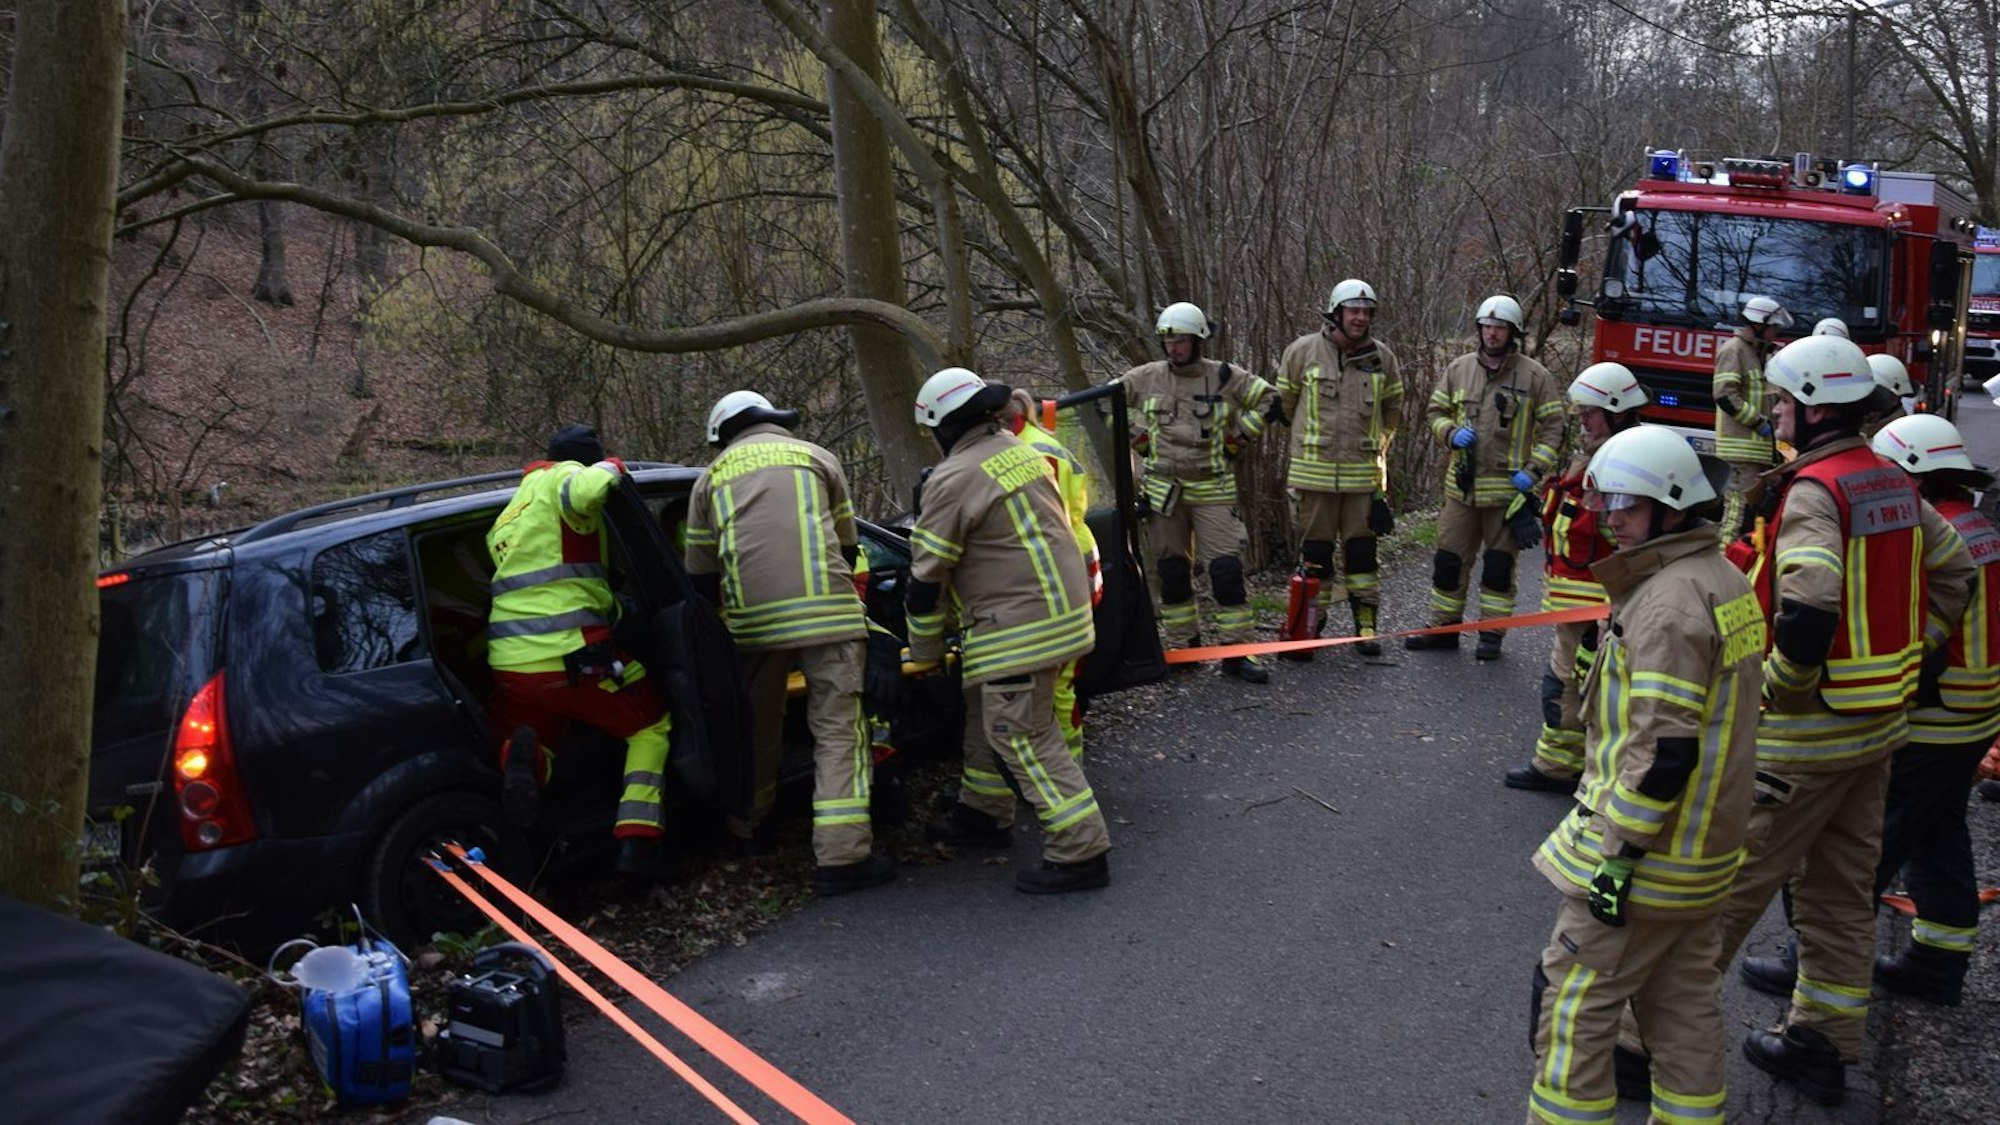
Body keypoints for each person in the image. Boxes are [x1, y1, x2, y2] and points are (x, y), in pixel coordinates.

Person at [1707, 335, 1973, 1105]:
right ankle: (1820, 1043)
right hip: (1877, 735)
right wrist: (1917, 654)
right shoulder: (1890, 479)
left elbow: (1812, 598)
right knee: (1839, 898)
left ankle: (1637, 1042)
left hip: (1802, 740)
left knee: (1723, 891)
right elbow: (1953, 568)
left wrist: (1787, 684)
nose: (1778, 412)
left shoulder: (1818, 489)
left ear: (1816, 405)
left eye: (1786, 400)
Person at [1526, 425, 1763, 1125]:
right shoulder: (1724, 579)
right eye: (1608, 500)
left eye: (1626, 501)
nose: (1610, 516)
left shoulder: (1667, 602)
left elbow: (1664, 752)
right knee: (1681, 1001)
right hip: (1706, 857)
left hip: (1650, 859)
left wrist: (1619, 859)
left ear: (1673, 504)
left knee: (1574, 1002)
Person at [1738, 414, 2000, 1008]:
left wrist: (1908, 658)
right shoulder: (1976, 524)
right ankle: (1937, 959)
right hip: (1975, 711)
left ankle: (1806, 964)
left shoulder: (1939, 532)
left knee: (1861, 858)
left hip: (1935, 714)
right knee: (1938, 835)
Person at [683, 392, 896, 896]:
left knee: (757, 726)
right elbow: (848, 545)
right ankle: (843, 858)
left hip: (753, 623)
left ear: (723, 435)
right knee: (839, 731)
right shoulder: (817, 458)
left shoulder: (710, 478)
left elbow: (699, 578)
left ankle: (751, 830)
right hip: (829, 614)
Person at [908, 368, 1113, 893]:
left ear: (942, 427)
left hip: (1019, 630)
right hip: (1061, 616)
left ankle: (1080, 850)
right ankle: (983, 812)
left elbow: (928, 579)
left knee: (1019, 733)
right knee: (986, 711)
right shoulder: (1019, 451)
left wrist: (924, 653)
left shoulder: (953, 479)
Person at [487, 424, 674, 876]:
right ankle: (638, 839)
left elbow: (556, 576)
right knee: (650, 726)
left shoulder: (511, 510)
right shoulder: (562, 481)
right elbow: (588, 488)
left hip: (511, 665)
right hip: (571, 651)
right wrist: (612, 467)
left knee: (546, 738)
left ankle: (525, 761)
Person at [1504, 363, 1646, 792]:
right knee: (1565, 684)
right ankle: (1559, 765)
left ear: (1618, 412)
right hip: (1576, 609)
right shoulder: (1596, 456)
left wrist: (1612, 617)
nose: (1582, 421)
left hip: (1598, 613)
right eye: (1580, 413)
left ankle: (1581, 773)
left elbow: (1633, 551)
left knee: (1581, 690)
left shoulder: (1624, 466)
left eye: (1591, 413)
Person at [1118, 301, 1277, 681]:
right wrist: (1138, 440)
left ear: (1198, 340)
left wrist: (1238, 438)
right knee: (1171, 571)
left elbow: (1271, 399)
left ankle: (1238, 653)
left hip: (1213, 486)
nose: (1173, 348)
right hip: (1164, 489)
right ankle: (1182, 650)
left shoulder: (1224, 377)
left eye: (1181, 341)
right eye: (1168, 341)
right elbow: (1103, 403)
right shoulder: (1145, 377)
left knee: (1225, 570)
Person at [1410, 294, 1564, 660]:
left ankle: (1490, 635)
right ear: (1479, 329)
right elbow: (1434, 410)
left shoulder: (1534, 376)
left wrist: (1533, 472)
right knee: (1449, 561)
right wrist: (1449, 432)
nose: (1492, 333)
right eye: (1487, 326)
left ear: (1513, 332)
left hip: (1507, 493)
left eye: (1500, 327)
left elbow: (1554, 426)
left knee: (1498, 568)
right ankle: (1443, 629)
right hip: (1461, 490)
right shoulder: (1459, 368)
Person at [1274, 279, 1405, 658]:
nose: (1360, 318)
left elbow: (1393, 409)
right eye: (1353, 311)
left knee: (1362, 555)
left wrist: (1376, 446)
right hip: (1313, 479)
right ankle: (1312, 627)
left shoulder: (1383, 358)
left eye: (1366, 312)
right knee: (1315, 555)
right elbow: (1283, 404)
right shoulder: (1302, 352)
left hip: (1361, 478)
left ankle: (1366, 627)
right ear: (1336, 313)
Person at [1003, 386, 1099, 759]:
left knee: (1056, 681)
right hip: (1076, 555)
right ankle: (1066, 762)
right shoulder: (1042, 441)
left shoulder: (1028, 451)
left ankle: (1067, 766)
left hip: (1063, 563)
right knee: (1061, 678)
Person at [1712, 294, 1791, 542]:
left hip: (1758, 452)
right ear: (1758, 324)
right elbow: (1724, 395)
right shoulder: (1734, 351)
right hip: (1740, 451)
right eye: (1773, 327)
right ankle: (1724, 567)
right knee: (1737, 515)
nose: (1776, 332)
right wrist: (1759, 423)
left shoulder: (1759, 353)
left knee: (1753, 517)